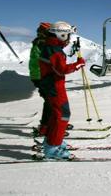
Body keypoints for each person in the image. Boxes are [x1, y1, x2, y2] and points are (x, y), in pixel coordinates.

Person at [38, 21, 85, 159]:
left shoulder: (51, 47)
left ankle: (52, 141)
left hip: (52, 85)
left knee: (56, 114)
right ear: (61, 35)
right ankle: (53, 148)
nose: (69, 39)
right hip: (54, 86)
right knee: (62, 115)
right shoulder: (53, 50)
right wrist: (78, 64)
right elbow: (61, 69)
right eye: (67, 35)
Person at [29, 22, 51, 137]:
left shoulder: (41, 42)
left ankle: (51, 123)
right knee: (50, 101)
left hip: (39, 76)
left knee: (51, 101)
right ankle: (45, 127)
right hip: (41, 76)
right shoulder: (42, 43)